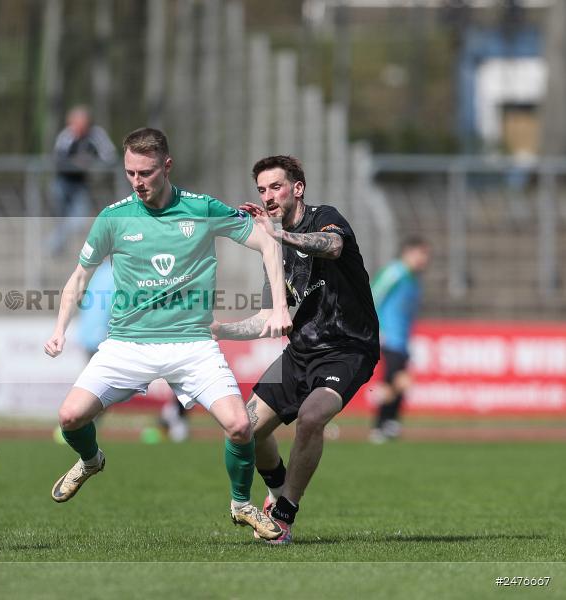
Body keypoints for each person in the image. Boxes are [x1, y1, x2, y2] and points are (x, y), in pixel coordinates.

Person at [43, 128, 292, 540]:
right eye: (130, 173)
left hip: (192, 343)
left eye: (146, 172)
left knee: (239, 426)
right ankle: (90, 460)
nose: (137, 182)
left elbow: (267, 241)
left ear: (167, 166)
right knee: (69, 417)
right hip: (127, 343)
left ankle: (241, 504)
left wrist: (279, 306)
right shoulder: (114, 218)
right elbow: (79, 277)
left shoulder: (201, 208)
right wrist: (59, 329)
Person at [211, 155, 380, 545]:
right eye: (262, 190)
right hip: (300, 353)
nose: (268, 196)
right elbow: (269, 317)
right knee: (245, 429)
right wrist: (221, 330)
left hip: (347, 348)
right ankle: (276, 490)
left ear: (297, 188)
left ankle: (284, 513)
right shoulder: (274, 250)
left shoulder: (324, 218)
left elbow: (332, 247)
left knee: (311, 417)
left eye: (276, 187)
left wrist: (278, 236)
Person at [369, 237, 431, 443]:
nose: (424, 259)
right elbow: (373, 295)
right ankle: (380, 425)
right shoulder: (394, 272)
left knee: (401, 382)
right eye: (421, 254)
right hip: (388, 337)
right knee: (394, 381)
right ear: (408, 252)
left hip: (402, 339)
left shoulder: (415, 280)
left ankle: (389, 421)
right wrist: (376, 328)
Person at [47, 106, 117, 255]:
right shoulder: (66, 136)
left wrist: (91, 162)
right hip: (62, 182)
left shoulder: (96, 135)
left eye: (82, 125)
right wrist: (76, 162)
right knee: (60, 219)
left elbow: (110, 156)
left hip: (80, 185)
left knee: (79, 221)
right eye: (75, 125)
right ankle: (56, 249)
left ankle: (53, 243)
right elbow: (58, 160)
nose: (78, 129)